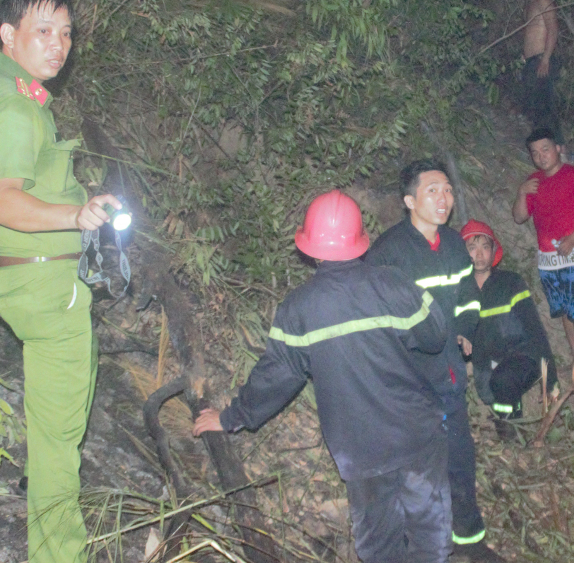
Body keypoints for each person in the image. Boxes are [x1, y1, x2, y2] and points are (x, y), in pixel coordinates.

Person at [193, 190, 454, 563]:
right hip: (418, 435)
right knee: (430, 543)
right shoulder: (393, 284)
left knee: (380, 548)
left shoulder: (297, 310)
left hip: (361, 449)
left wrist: (230, 417)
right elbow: (434, 335)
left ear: (311, 249)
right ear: (360, 242)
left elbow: (275, 377)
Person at [0, 0, 122, 563]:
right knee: (58, 441)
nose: (60, 45)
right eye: (44, 31)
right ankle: (59, 553)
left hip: (29, 276)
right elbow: (1, 201)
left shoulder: (17, 94)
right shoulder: (9, 106)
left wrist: (78, 205)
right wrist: (76, 215)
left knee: (58, 425)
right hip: (41, 284)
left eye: (67, 33)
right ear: (9, 34)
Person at [365, 160, 504, 563]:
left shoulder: (457, 245)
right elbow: (375, 320)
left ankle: (470, 542)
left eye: (447, 190)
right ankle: (418, 549)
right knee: (415, 473)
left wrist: (464, 325)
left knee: (460, 459)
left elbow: (469, 296)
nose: (444, 199)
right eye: (433, 191)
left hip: (448, 376)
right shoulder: (388, 253)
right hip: (407, 384)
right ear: (410, 200)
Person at [512, 128, 574, 379]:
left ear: (558, 148)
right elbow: (519, 217)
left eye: (546, 149)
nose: (541, 156)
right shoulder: (533, 183)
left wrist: (573, 238)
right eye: (535, 153)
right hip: (549, 259)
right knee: (564, 310)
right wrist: (521, 193)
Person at [459, 220, 558, 440]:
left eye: (485, 246)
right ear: (462, 252)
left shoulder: (510, 283)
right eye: (472, 247)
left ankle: (513, 441)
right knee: (495, 390)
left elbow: (535, 330)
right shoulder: (460, 291)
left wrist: (550, 378)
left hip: (523, 356)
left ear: (493, 251)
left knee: (504, 380)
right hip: (486, 365)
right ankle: (510, 436)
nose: (480, 253)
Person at [519, 0, 563, 145]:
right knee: (536, 108)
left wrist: (545, 59)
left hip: (541, 61)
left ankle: (559, 149)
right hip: (531, 61)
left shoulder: (543, 0)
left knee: (545, 108)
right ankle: (546, 149)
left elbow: (553, 29)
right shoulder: (529, 1)